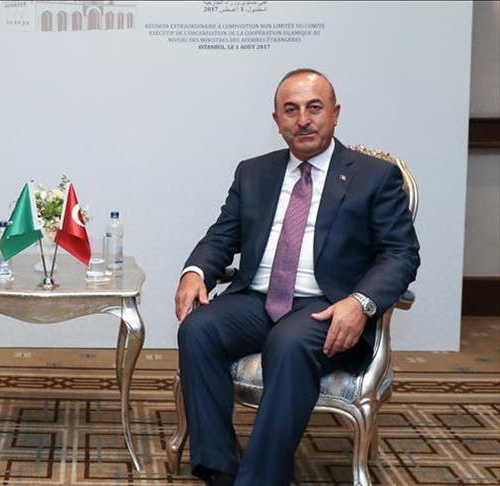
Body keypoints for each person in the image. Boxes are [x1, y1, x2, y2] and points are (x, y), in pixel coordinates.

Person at [174, 69, 420, 486]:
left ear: (335, 113)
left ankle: (261, 479)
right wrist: (194, 272)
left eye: (314, 108)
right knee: (198, 328)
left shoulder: (374, 176)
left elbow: (401, 254)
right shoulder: (253, 172)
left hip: (327, 305)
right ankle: (218, 469)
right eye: (291, 110)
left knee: (287, 343)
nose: (303, 119)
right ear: (276, 120)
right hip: (257, 299)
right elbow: (222, 235)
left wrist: (360, 303)